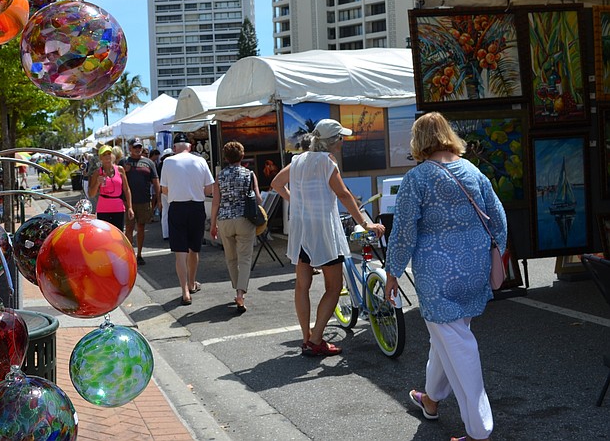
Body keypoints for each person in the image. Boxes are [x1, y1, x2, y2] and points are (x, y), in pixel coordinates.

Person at [384, 112, 506, 441]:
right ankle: (431, 400)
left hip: (437, 275)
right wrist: (486, 254)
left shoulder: (418, 178)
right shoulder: (473, 172)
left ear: (419, 141)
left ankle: (480, 431)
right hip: (473, 268)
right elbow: (499, 219)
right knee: (448, 339)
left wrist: (393, 271)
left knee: (457, 344)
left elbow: (404, 231)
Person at [271, 118, 384, 357]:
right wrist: (365, 222)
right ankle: (316, 339)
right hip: (323, 230)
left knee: (302, 286)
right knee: (334, 286)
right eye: (340, 138)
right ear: (333, 142)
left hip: (301, 230)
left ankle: (306, 338)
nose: (342, 142)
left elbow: (276, 184)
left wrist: (297, 202)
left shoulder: (298, 160)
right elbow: (342, 194)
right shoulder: (327, 162)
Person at [160, 133, 214, 306]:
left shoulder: (168, 162)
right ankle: (191, 283)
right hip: (196, 206)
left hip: (177, 207)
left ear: (175, 148)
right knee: (194, 249)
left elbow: (164, 189)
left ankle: (184, 290)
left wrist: (179, 191)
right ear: (189, 147)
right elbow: (209, 188)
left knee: (180, 253)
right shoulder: (200, 161)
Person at [210, 141, 261, 313]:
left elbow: (215, 202)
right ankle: (241, 293)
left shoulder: (220, 176)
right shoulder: (249, 174)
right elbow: (258, 199)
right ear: (242, 155)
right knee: (245, 258)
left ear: (225, 157)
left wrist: (212, 225)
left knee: (231, 258)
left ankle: (236, 288)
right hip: (244, 219)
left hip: (224, 220)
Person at [120, 137, 160, 265]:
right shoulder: (123, 162)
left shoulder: (149, 163)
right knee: (129, 228)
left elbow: (155, 181)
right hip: (128, 202)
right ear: (130, 148)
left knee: (141, 227)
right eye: (135, 147)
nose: (137, 149)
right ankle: (129, 254)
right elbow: (115, 179)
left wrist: (158, 200)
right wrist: (123, 172)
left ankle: (139, 254)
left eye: (139, 147)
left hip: (144, 200)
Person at [89, 145, 133, 231]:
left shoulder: (120, 170)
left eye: (109, 153)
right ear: (100, 157)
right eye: (104, 154)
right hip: (103, 209)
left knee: (118, 235)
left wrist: (130, 207)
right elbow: (91, 194)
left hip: (118, 208)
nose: (107, 156)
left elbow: (126, 189)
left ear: (112, 155)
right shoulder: (97, 173)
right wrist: (97, 182)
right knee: (104, 237)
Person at [158, 148, 174, 240]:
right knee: (172, 211)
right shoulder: (171, 164)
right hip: (170, 189)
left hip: (162, 189)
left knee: (165, 212)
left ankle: (166, 234)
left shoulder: (161, 165)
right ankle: (171, 232)